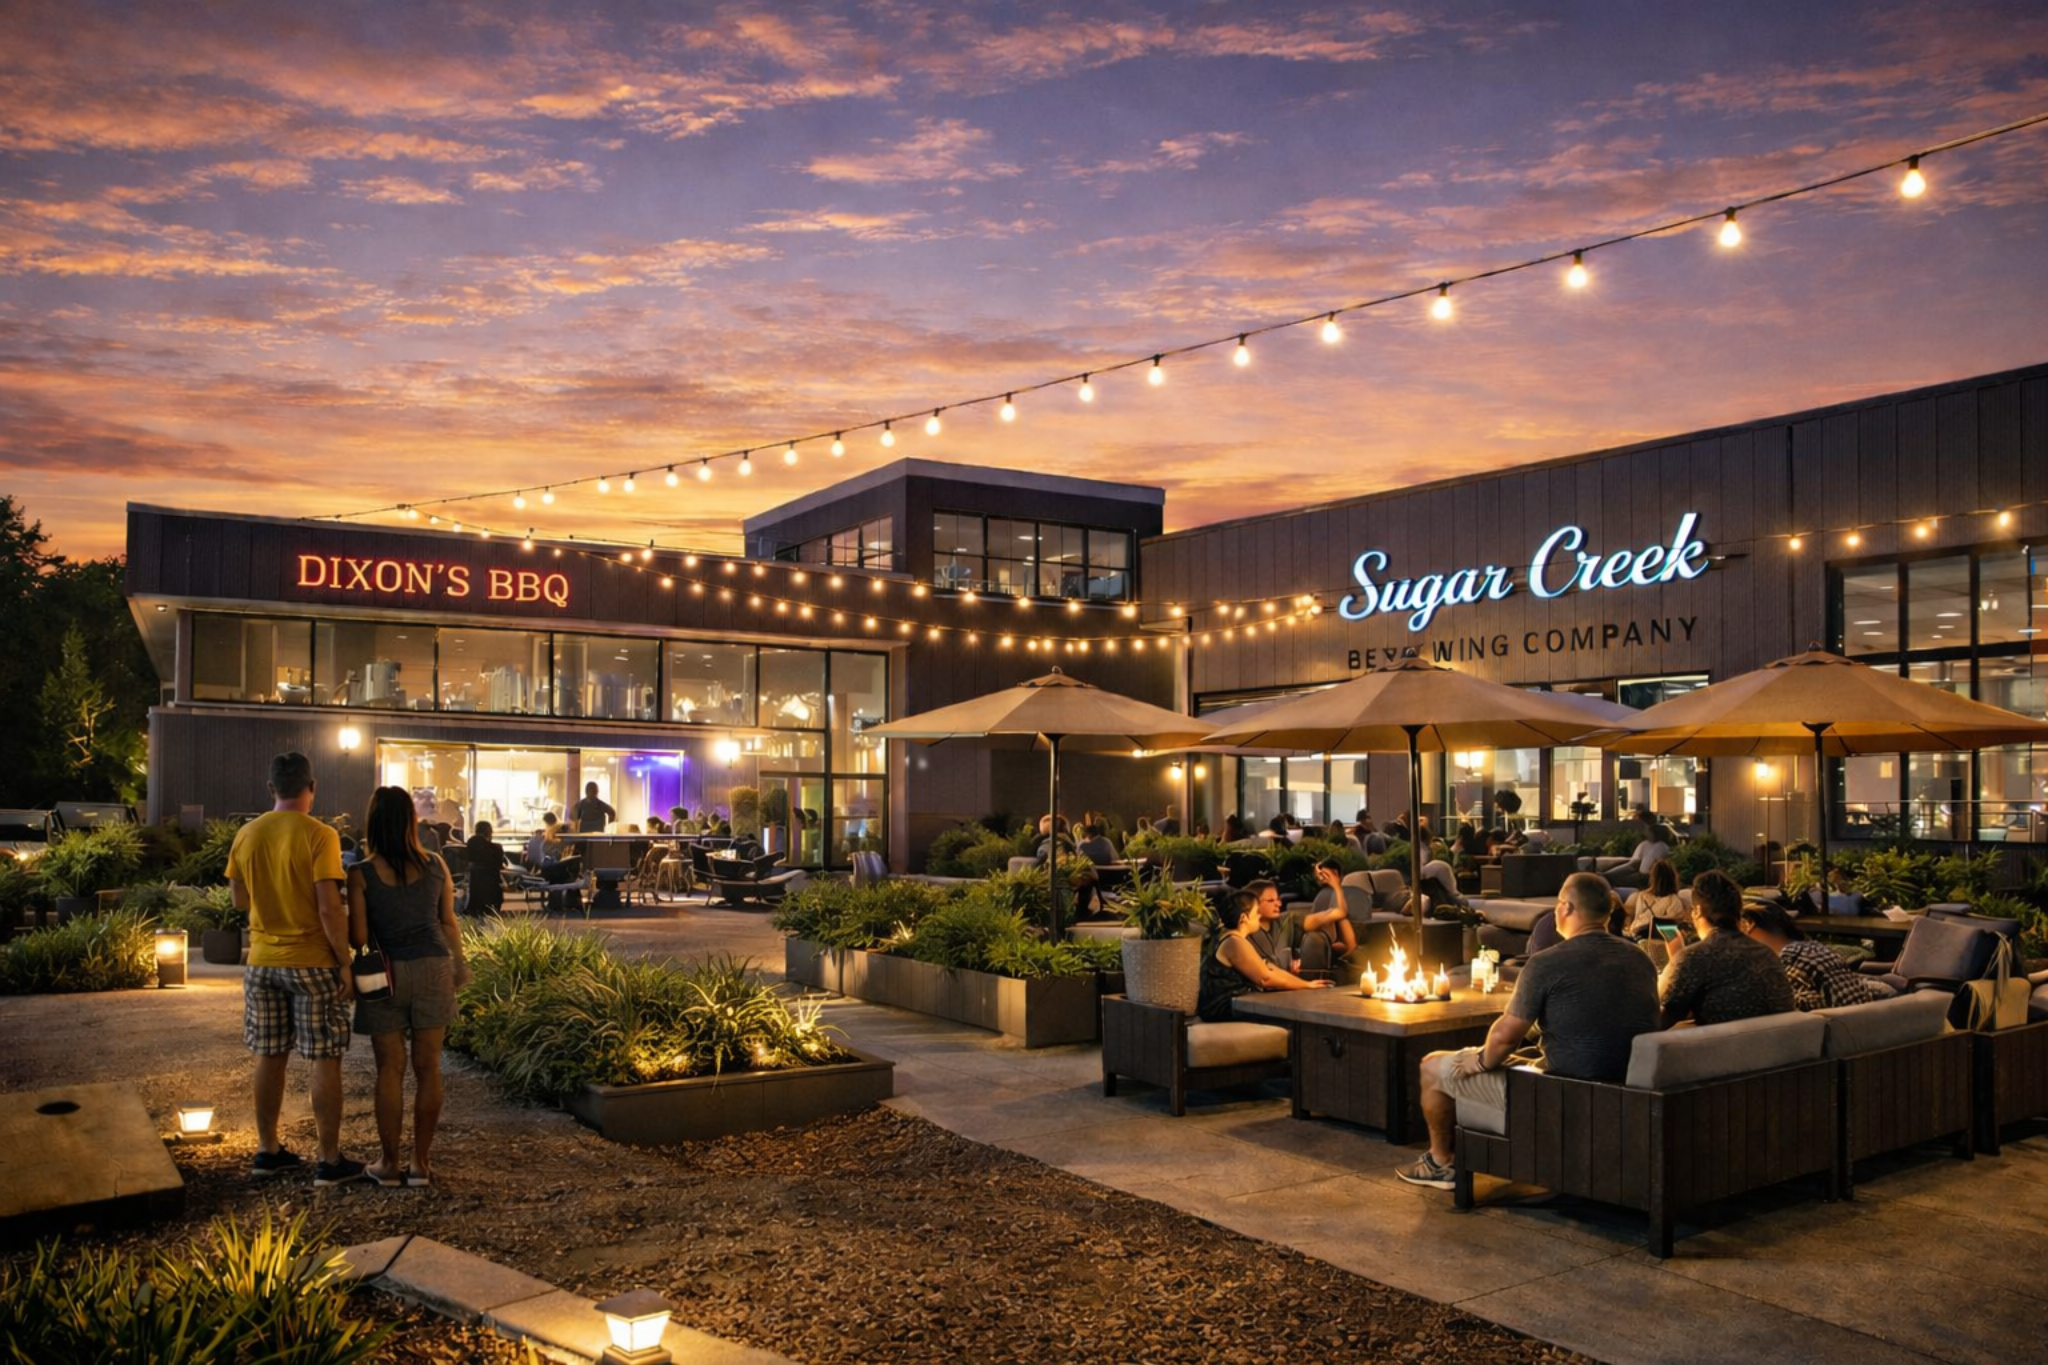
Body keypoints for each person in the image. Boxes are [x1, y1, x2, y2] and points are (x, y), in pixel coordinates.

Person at [1399, 872, 1660, 1190]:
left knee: (1432, 1066)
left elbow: (1505, 1036)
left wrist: (1481, 1061)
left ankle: (1440, 1163)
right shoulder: (1640, 959)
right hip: (1628, 1091)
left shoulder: (1546, 963)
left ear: (1565, 907)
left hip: (1557, 1094)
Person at [226, 751, 364, 1186]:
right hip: (312, 962)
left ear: (271, 789)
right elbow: (329, 907)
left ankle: (268, 1151)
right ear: (312, 786)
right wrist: (345, 963)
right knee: (324, 1057)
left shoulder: (246, 834)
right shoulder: (320, 835)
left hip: (262, 962)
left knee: (269, 1055)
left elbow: (238, 900)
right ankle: (329, 1160)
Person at [348, 787, 470, 1188]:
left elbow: (360, 935)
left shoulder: (361, 873)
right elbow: (448, 921)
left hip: (386, 973)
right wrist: (460, 963)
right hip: (434, 966)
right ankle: (420, 1163)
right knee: (428, 1066)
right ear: (410, 822)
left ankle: (389, 1163)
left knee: (390, 1068)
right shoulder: (436, 864)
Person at [1660, 872, 1797, 1028]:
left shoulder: (1696, 956)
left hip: (1726, 1049)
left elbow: (1662, 1018)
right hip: (1777, 1046)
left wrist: (1675, 963)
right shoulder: (1766, 953)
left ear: (1697, 910)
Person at [1196, 883, 1334, 1021]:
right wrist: (1306, 986)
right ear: (1244, 918)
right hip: (1223, 1006)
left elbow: (1269, 967)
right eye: (1256, 912)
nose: (1259, 916)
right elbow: (1265, 978)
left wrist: (1306, 985)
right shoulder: (1234, 942)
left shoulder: (1235, 939)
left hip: (1236, 1002)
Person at [1738, 901, 1896, 1011]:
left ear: (1750, 925)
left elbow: (1781, 1002)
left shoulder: (1789, 955)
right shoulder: (1814, 946)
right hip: (1858, 1023)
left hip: (1837, 1032)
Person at [1249, 874, 1362, 980]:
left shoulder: (1288, 920)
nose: (1278, 904)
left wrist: (1336, 886)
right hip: (1265, 983)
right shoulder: (1245, 931)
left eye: (1278, 899)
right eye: (1270, 901)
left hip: (1297, 982)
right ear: (1254, 904)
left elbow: (1339, 913)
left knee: (1315, 939)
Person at [1624, 859, 1685, 939]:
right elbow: (1672, 923)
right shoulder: (1673, 900)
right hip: (1651, 936)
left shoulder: (1643, 896)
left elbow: (1637, 918)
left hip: (1639, 934)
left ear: (1652, 878)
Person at [463, 820, 506, 917]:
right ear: (488, 831)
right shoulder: (495, 848)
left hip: (475, 879)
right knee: (492, 903)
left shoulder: (471, 842)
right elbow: (498, 863)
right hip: (489, 880)